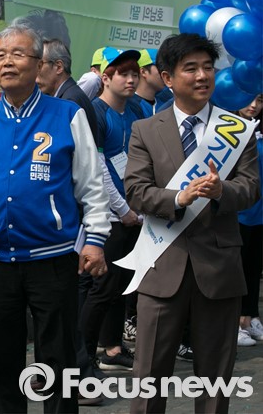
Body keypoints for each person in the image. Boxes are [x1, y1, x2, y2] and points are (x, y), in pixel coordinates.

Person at [0, 20, 111, 414]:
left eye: (18, 54)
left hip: (53, 259)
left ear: (39, 64)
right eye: (0, 55)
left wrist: (95, 240)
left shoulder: (67, 115)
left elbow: (92, 185)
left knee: (57, 358)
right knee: (4, 359)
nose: (7, 62)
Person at [121, 33, 259, 413]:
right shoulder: (146, 130)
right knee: (149, 378)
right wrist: (178, 198)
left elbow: (250, 189)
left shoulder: (236, 130)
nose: (202, 76)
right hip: (161, 265)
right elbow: (136, 191)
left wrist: (221, 191)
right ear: (168, 78)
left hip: (218, 268)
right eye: (191, 68)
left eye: (208, 68)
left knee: (215, 380)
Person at [80, 47, 144, 373]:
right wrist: (122, 209)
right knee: (102, 288)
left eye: (135, 73)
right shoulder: (95, 112)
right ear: (105, 78)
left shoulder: (135, 110)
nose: (131, 79)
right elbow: (98, 167)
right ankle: (83, 357)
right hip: (108, 216)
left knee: (122, 285)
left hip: (134, 213)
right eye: (123, 74)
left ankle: (113, 348)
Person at [236, 93, 263, 347]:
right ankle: (235, 321)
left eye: (260, 100)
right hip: (236, 213)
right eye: (249, 99)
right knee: (237, 269)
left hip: (258, 213)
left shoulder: (258, 129)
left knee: (254, 267)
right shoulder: (227, 130)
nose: (253, 106)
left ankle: (251, 315)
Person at [36, 38, 99, 143]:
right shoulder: (69, 95)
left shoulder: (70, 101)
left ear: (59, 67)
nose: (35, 72)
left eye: (39, 65)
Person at [133, 49, 166, 117]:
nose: (165, 73)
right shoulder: (129, 106)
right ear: (143, 72)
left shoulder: (165, 104)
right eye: (161, 67)